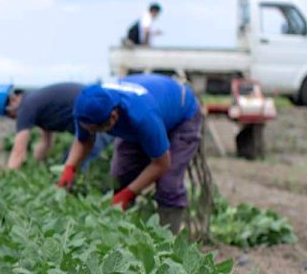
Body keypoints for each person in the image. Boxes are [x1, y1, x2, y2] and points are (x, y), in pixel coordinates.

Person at [56, 73, 202, 234]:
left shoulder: (142, 116)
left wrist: (128, 194)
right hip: (150, 109)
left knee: (168, 184)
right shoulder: (86, 108)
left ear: (113, 117)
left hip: (182, 116)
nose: (91, 133)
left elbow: (162, 164)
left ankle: (168, 242)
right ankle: (124, 235)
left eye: (96, 130)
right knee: (120, 176)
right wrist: (69, 169)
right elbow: (84, 141)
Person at [0, 82, 112, 170]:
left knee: (73, 168)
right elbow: (45, 143)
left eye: (9, 116)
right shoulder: (34, 102)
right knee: (69, 165)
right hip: (94, 125)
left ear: (10, 105)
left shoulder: (26, 108)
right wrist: (35, 167)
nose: (14, 119)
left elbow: (18, 152)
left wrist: (9, 180)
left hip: (100, 123)